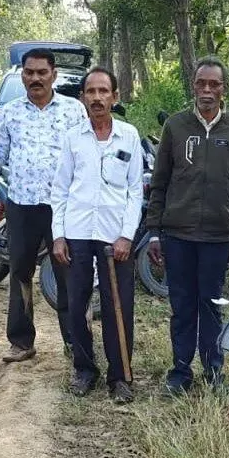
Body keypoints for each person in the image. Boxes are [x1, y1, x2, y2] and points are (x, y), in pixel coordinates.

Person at [0, 49, 88, 363]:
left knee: (66, 276)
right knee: (20, 274)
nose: (35, 78)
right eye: (29, 72)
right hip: (21, 205)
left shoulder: (74, 111)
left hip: (61, 209)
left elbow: (85, 157)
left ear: (53, 75)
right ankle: (22, 342)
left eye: (41, 72)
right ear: (22, 74)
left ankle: (75, 343)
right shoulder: (10, 112)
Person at [145, 57, 229, 395]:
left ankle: (214, 372)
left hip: (218, 237)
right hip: (177, 234)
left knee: (211, 305)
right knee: (182, 305)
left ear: (224, 89)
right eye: (201, 83)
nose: (207, 90)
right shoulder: (175, 126)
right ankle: (179, 373)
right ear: (193, 85)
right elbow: (159, 182)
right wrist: (153, 232)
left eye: (214, 84)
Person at [51, 67, 143, 403]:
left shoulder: (129, 136)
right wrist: (58, 236)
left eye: (104, 91)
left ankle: (120, 376)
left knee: (119, 305)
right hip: (76, 232)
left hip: (114, 237)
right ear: (82, 98)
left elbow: (136, 191)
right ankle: (85, 369)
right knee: (76, 304)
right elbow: (60, 189)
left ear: (115, 97)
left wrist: (126, 236)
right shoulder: (73, 137)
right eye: (91, 92)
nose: (97, 98)